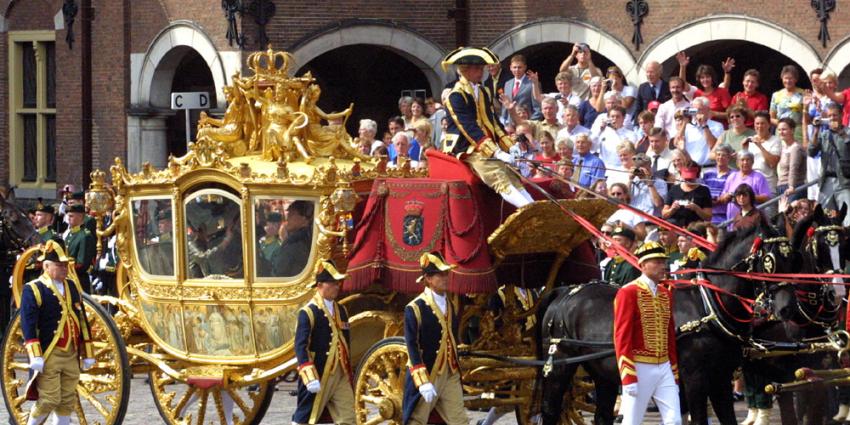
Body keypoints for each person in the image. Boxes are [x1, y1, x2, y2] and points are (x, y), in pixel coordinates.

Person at [442, 47, 534, 207]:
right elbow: (468, 127)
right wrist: (496, 152)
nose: (482, 72)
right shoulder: (455, 95)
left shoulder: (483, 91)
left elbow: (493, 122)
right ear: (465, 70)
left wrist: (510, 146)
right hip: (466, 147)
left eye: (481, 68)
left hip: (485, 143)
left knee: (511, 174)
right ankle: (529, 209)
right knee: (496, 173)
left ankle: (533, 206)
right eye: (477, 69)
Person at [21, 238, 95, 425]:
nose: (64, 269)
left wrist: (88, 350)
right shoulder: (34, 288)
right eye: (59, 265)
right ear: (46, 266)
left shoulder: (71, 286)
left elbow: (82, 319)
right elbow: (28, 323)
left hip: (71, 352)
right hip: (49, 351)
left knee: (67, 399)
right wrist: (35, 355)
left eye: (66, 265)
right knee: (49, 399)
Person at [613, 241, 681, 425]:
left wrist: (673, 371)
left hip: (665, 366)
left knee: (674, 420)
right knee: (632, 422)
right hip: (639, 366)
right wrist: (628, 376)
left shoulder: (665, 294)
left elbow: (669, 336)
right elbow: (622, 337)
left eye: (663, 261)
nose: (662, 266)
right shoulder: (628, 292)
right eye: (656, 262)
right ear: (642, 265)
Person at [403, 251, 467, 425]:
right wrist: (422, 381)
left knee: (459, 420)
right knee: (416, 420)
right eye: (440, 274)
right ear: (429, 279)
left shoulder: (450, 305)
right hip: (428, 372)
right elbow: (411, 345)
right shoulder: (415, 308)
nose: (445, 277)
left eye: (446, 273)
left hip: (450, 372)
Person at [293, 259, 354, 425]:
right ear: (319, 285)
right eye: (332, 283)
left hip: (340, 372)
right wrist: (308, 374)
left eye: (337, 282)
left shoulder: (341, 310)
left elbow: (346, 341)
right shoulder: (308, 312)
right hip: (319, 372)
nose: (337, 286)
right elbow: (300, 346)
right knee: (305, 416)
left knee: (349, 417)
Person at [808, 103, 850, 226]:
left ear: (841, 115)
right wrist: (816, 130)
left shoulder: (847, 132)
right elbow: (811, 151)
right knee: (821, 218)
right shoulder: (824, 135)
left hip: (844, 182)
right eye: (829, 116)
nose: (832, 118)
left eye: (835, 115)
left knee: (848, 218)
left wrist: (840, 132)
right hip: (826, 181)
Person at [717, 151, 771, 225]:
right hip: (732, 221)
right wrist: (726, 196)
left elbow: (766, 198)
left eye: (748, 160)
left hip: (751, 221)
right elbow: (722, 197)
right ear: (737, 163)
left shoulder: (758, 177)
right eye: (742, 160)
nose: (745, 162)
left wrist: (748, 196)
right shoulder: (732, 176)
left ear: (752, 162)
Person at [673, 97, 723, 166]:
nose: (696, 112)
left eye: (699, 110)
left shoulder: (717, 126)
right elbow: (676, 143)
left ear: (708, 110)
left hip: (708, 167)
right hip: (690, 167)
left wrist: (704, 125)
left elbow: (713, 146)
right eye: (694, 110)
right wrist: (685, 122)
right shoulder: (688, 127)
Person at [662, 162, 712, 228]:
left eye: (691, 178)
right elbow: (664, 215)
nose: (688, 180)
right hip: (676, 228)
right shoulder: (674, 189)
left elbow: (708, 217)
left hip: (694, 228)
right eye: (686, 178)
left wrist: (696, 208)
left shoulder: (704, 190)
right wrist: (672, 209)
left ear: (697, 175)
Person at [742, 111, 781, 191]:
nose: (759, 126)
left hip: (767, 184)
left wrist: (760, 146)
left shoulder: (776, 140)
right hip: (750, 184)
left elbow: (772, 163)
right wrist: (744, 149)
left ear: (769, 125)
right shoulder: (750, 140)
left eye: (762, 123)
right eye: (757, 123)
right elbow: (742, 166)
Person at [62, 204, 95, 293]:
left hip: (78, 279)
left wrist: (64, 269)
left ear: (80, 216)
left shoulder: (85, 236)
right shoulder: (70, 234)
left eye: (71, 216)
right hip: (67, 277)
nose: (68, 218)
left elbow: (82, 264)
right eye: (68, 215)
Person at [500, 54, 541, 125]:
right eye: (514, 67)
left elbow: (538, 108)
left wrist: (530, 124)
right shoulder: (507, 84)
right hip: (511, 127)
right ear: (510, 68)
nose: (517, 70)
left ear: (525, 67)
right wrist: (505, 123)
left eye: (519, 67)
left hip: (527, 124)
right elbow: (505, 107)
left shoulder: (533, 83)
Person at [278, 200, 314, 276]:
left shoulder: (295, 241)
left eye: (291, 214)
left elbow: (280, 271)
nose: (287, 218)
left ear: (304, 218)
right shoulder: (309, 236)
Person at [703, 143, 735, 225]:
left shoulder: (734, 174)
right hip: (708, 215)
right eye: (718, 154)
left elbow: (727, 197)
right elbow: (703, 193)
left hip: (725, 217)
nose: (720, 157)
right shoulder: (707, 173)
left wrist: (714, 200)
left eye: (723, 155)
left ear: (729, 157)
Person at [776, 118, 806, 201]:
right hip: (781, 186)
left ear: (792, 130)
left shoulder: (796, 148)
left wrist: (791, 186)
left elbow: (794, 168)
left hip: (792, 188)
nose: (781, 132)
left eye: (784, 129)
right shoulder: (782, 147)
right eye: (779, 130)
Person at [257, 211, 282, 277]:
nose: (272, 227)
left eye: (276, 225)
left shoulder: (278, 246)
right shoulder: (260, 239)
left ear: (279, 226)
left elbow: (274, 272)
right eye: (270, 223)